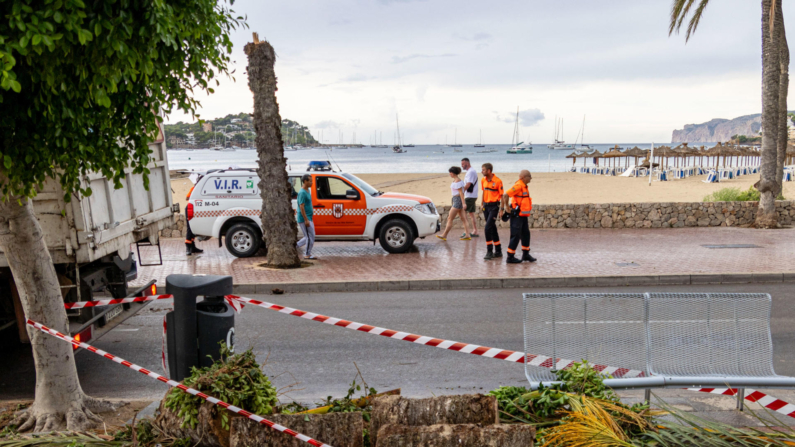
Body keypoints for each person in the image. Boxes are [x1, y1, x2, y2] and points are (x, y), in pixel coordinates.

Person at [502, 170, 536, 264]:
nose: (531, 178)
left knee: (525, 234)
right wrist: (507, 207)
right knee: (515, 235)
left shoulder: (524, 186)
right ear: (523, 177)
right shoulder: (518, 186)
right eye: (529, 176)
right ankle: (510, 257)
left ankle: (525, 254)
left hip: (523, 215)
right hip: (517, 215)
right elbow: (505, 195)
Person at [437, 167, 472, 241]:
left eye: (450, 172)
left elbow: (461, 193)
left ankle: (444, 235)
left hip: (457, 201)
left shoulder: (458, 182)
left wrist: (463, 203)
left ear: (453, 173)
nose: (450, 174)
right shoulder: (457, 181)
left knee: (450, 218)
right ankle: (467, 234)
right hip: (457, 200)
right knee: (463, 219)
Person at [480, 163, 504, 260]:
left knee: (487, 228)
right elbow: (483, 192)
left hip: (494, 207)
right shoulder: (483, 180)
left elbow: (502, 196)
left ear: (489, 171)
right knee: (493, 229)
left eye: (483, 170)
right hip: (486, 206)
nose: (482, 171)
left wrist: (501, 209)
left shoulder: (498, 181)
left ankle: (489, 251)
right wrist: (482, 204)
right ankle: (498, 251)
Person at [296, 174, 316, 259]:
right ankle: (307, 254)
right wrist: (306, 220)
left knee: (309, 236)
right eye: (310, 181)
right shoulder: (302, 193)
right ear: (305, 181)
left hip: (309, 217)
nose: (312, 182)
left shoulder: (308, 190)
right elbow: (301, 206)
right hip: (305, 218)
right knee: (309, 236)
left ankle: (295, 246)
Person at [460, 158, 479, 238]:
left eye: (463, 164)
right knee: (471, 214)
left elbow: (468, 184)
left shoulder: (471, 172)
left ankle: (467, 231)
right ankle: (474, 231)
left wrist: (461, 192)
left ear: (467, 163)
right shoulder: (470, 171)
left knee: (463, 213)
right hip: (472, 195)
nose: (462, 166)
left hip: (470, 196)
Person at [185, 183, 203, 256]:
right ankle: (188, 248)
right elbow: (187, 197)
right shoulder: (194, 188)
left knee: (193, 228)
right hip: (190, 208)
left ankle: (192, 247)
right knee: (190, 228)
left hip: (195, 208)